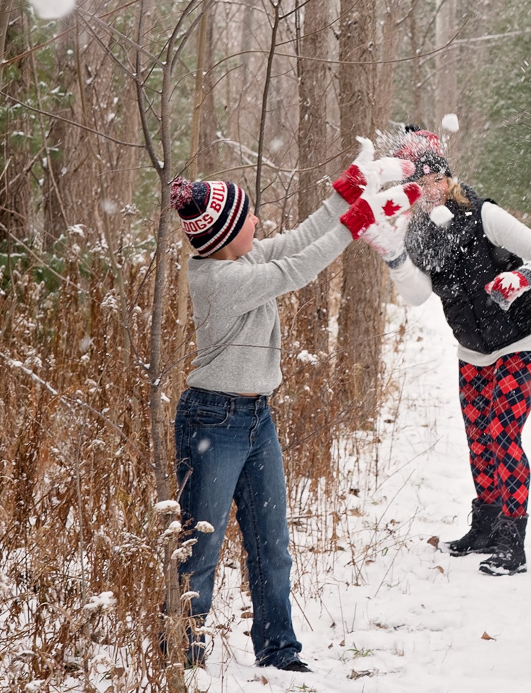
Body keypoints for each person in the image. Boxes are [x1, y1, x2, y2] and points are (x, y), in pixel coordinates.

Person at [170, 139, 417, 672]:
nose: (257, 221)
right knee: (200, 550)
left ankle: (278, 651)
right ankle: (182, 655)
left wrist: (346, 193)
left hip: (257, 419)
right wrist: (356, 223)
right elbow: (297, 269)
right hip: (212, 419)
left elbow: (298, 241)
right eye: (248, 216)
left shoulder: (240, 254)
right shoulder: (219, 278)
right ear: (224, 234)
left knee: (271, 544)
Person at [374, 126, 531, 576]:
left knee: (502, 433)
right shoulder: (417, 233)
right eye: (418, 185)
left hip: (524, 340)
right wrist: (396, 257)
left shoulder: (482, 214)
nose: (429, 190)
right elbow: (418, 295)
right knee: (478, 437)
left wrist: (525, 276)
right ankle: (487, 525)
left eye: (435, 179)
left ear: (447, 177)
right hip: (473, 349)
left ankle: (513, 542)